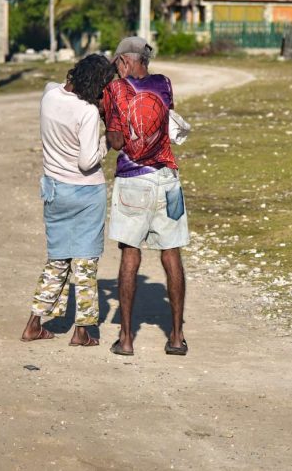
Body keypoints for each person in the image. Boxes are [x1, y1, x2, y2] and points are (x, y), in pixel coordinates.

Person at [102, 36, 189, 357]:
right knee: (171, 254)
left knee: (130, 254)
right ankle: (177, 337)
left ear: (124, 61)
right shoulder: (164, 83)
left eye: (116, 65)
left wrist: (107, 117)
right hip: (168, 178)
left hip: (133, 181)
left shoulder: (115, 91)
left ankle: (126, 339)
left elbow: (115, 142)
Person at [21, 54, 115, 347]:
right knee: (85, 264)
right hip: (86, 193)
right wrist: (107, 143)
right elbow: (88, 162)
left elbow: (57, 84)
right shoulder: (86, 112)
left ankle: (34, 324)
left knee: (58, 259)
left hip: (55, 190)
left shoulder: (49, 95)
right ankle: (82, 331)